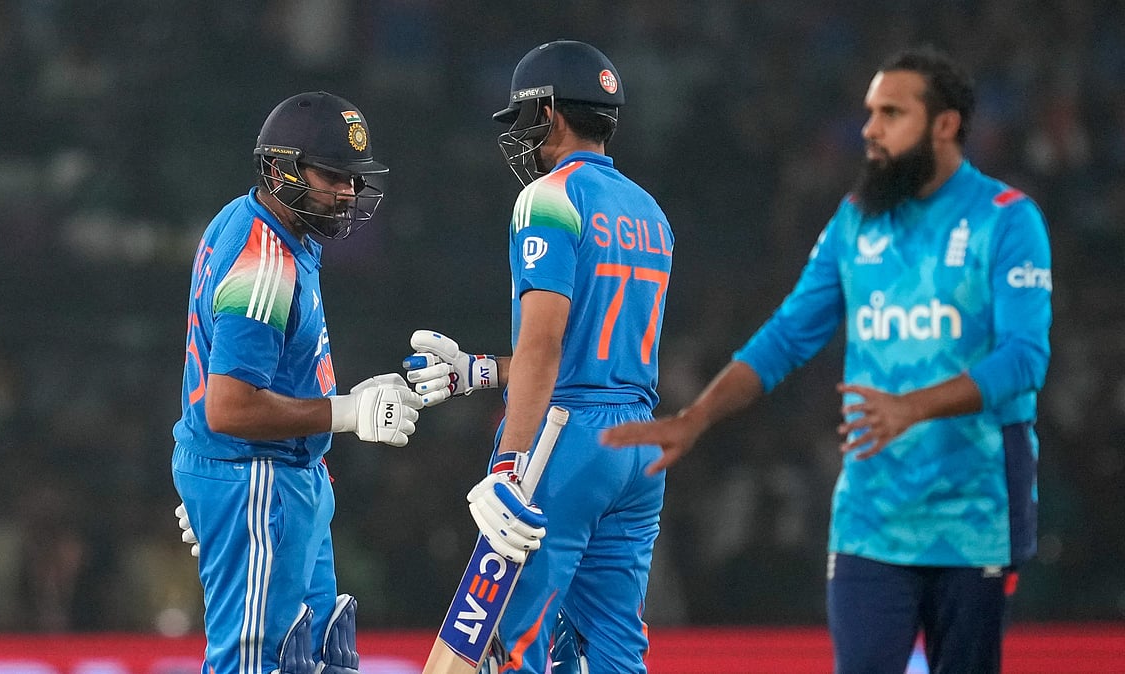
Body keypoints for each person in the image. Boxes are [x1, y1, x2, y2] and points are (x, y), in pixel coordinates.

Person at [603, 45, 1052, 673]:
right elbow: (788, 335)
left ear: (944, 125)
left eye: (891, 113)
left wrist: (910, 408)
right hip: (871, 514)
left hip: (976, 510)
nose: (868, 128)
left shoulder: (1007, 220)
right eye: (870, 111)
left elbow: (1025, 361)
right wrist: (697, 416)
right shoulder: (856, 221)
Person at [404, 39, 674, 673]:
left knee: (509, 645)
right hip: (640, 442)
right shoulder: (650, 212)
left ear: (548, 113)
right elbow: (592, 347)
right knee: (613, 646)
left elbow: (546, 345)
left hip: (564, 439)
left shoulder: (548, 197)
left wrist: (507, 462)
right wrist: (481, 371)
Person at [171, 90, 423, 674]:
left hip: (279, 477)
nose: (349, 193)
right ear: (280, 170)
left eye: (354, 179)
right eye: (333, 176)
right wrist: (348, 413)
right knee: (255, 664)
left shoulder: (276, 231)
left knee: (321, 658)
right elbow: (228, 408)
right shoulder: (264, 257)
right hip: (257, 478)